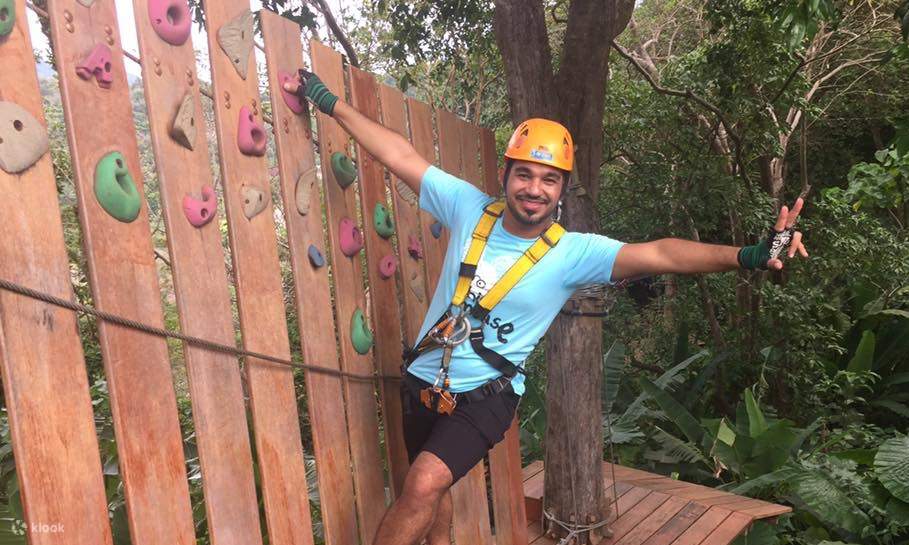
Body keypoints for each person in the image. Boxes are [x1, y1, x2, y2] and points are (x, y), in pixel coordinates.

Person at [285, 71, 808, 545]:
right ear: (505, 175)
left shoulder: (573, 253)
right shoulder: (467, 207)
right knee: (426, 489)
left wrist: (749, 255)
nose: (534, 189)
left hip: (485, 396)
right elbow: (399, 155)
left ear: (562, 190)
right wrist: (329, 101)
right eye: (525, 175)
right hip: (424, 381)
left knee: (423, 482)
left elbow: (662, 253)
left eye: (549, 179)